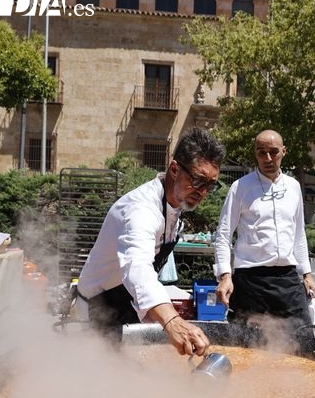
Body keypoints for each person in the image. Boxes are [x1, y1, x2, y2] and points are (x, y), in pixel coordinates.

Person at [77, 128, 225, 356]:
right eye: (198, 180)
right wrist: (171, 321)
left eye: (210, 185)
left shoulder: (175, 204)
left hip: (126, 303)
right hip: (98, 308)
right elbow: (137, 266)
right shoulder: (141, 209)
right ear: (175, 169)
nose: (203, 192)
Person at [214, 129, 315, 332]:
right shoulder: (240, 187)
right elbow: (223, 234)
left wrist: (307, 273)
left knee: (303, 340)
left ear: (284, 152)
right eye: (261, 152)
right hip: (251, 281)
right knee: (247, 344)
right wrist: (225, 275)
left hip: (287, 279)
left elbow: (299, 234)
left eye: (273, 152)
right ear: (255, 154)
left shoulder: (294, 187)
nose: (267, 158)